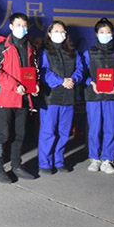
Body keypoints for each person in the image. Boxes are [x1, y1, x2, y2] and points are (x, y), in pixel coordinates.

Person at [0, 12, 39, 182]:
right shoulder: (2, 47)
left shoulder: (31, 47)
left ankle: (17, 165)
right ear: (11, 27)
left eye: (24, 25)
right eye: (18, 25)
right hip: (7, 98)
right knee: (2, 136)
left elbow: (34, 70)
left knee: (20, 135)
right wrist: (14, 86)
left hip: (24, 99)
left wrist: (35, 85)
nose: (22, 28)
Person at [82, 18, 114, 175]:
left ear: (112, 34)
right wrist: (91, 82)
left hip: (113, 96)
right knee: (94, 128)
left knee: (111, 128)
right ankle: (95, 158)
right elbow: (83, 73)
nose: (105, 35)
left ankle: (108, 159)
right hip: (94, 96)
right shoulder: (89, 53)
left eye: (108, 32)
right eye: (102, 32)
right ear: (96, 34)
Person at [38, 20, 83, 174]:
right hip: (50, 97)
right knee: (48, 131)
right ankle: (45, 163)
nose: (59, 34)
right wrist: (61, 81)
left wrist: (73, 79)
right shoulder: (44, 52)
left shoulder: (73, 52)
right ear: (49, 34)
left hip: (68, 97)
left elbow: (80, 69)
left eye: (62, 31)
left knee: (64, 132)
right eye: (56, 31)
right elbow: (43, 72)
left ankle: (59, 161)